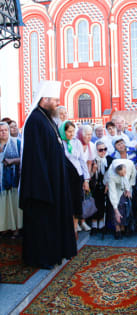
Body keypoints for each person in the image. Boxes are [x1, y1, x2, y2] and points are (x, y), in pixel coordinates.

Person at [19, 80, 77, 269]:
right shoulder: (36, 120)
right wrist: (46, 186)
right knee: (42, 225)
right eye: (55, 100)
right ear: (44, 100)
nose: (58, 104)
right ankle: (42, 258)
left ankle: (54, 254)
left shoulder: (48, 119)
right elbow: (36, 158)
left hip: (53, 182)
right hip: (41, 187)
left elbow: (57, 149)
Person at [59, 121, 91, 234]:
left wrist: (86, 179)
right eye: (69, 131)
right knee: (66, 202)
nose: (71, 134)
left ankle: (75, 228)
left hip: (77, 176)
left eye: (73, 131)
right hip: (64, 177)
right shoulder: (59, 143)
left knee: (76, 202)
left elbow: (82, 161)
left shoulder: (76, 142)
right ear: (63, 131)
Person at [105, 159, 137, 239]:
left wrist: (128, 189)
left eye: (124, 173)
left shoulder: (130, 164)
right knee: (116, 206)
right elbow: (112, 192)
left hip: (127, 186)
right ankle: (117, 229)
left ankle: (123, 227)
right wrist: (115, 209)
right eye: (121, 174)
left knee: (125, 205)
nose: (123, 175)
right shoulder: (111, 174)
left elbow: (133, 176)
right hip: (116, 187)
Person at [0, 122, 22, 238]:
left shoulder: (17, 143)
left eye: (5, 130)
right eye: (1, 130)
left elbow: (23, 158)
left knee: (14, 205)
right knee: (3, 205)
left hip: (14, 179)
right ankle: (4, 227)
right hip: (1, 182)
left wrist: (12, 161)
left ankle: (16, 228)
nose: (3, 132)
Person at [90, 140, 113, 233]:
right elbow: (88, 175)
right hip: (94, 186)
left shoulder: (109, 159)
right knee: (95, 204)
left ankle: (102, 224)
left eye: (105, 149)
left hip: (105, 186)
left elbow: (111, 174)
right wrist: (93, 170)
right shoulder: (92, 160)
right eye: (100, 150)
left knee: (103, 204)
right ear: (96, 150)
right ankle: (95, 225)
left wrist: (108, 184)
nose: (103, 151)